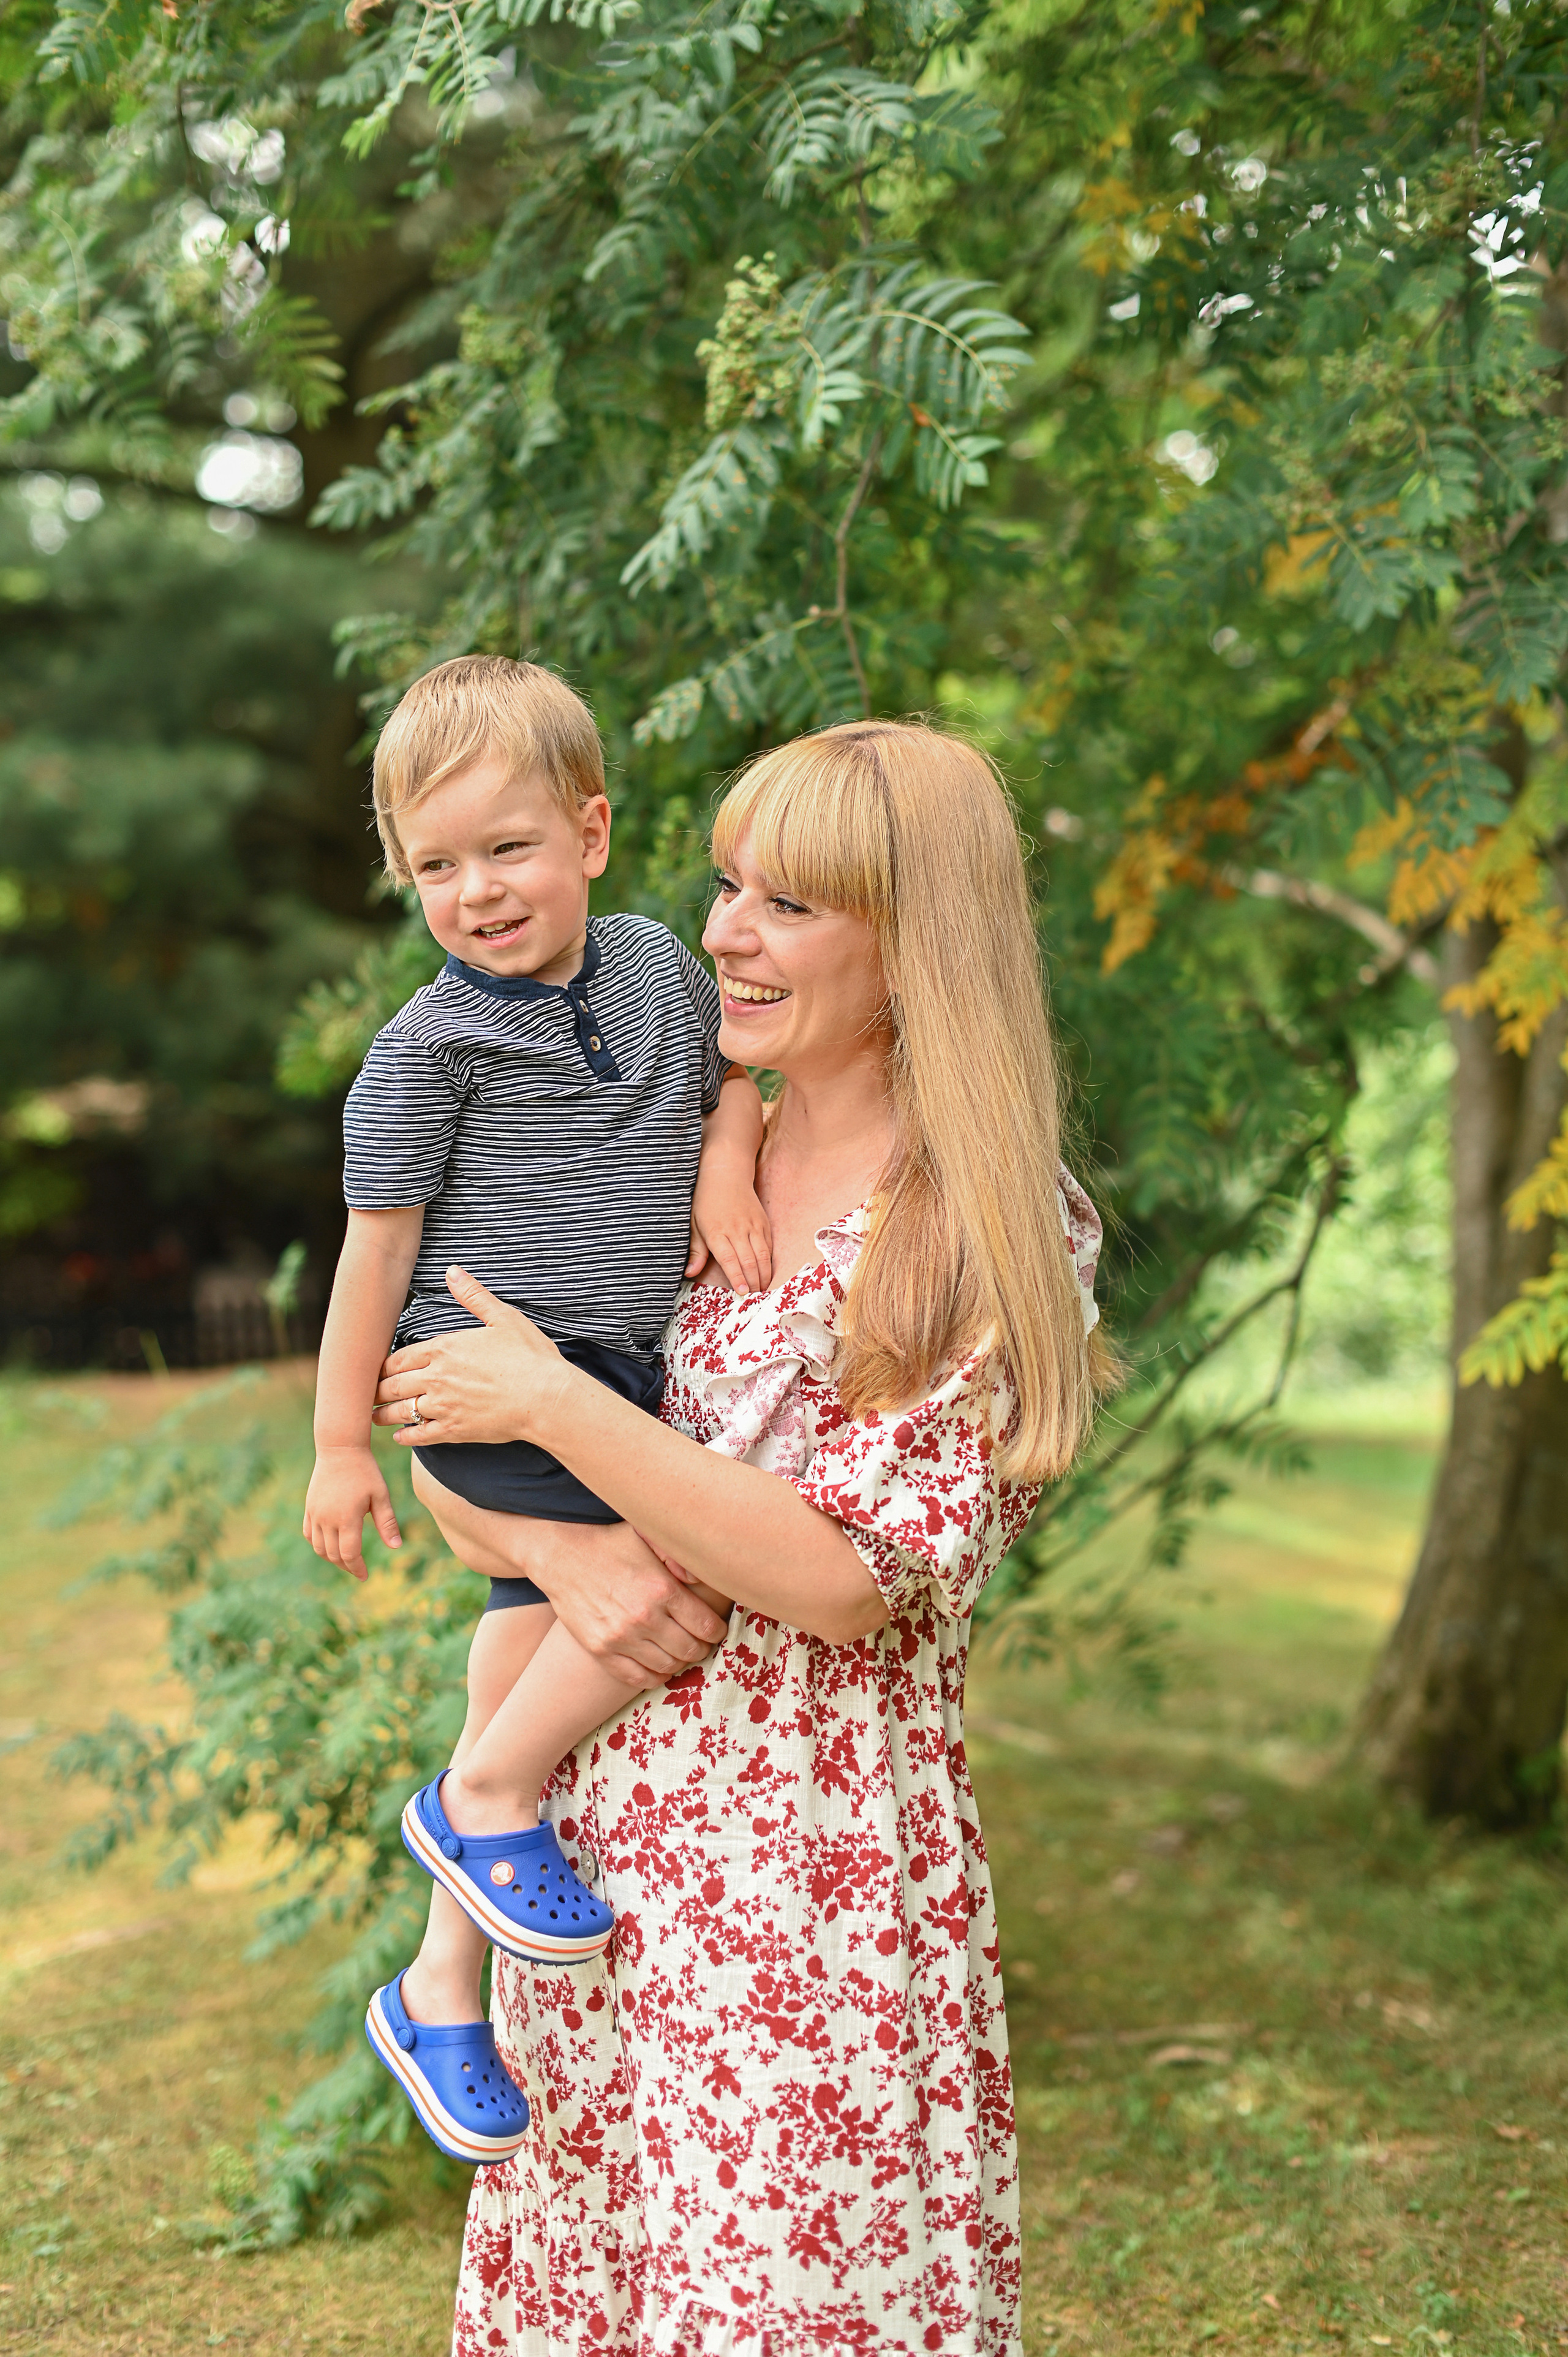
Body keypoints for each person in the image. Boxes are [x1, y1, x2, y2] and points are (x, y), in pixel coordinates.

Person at [372, 719, 1106, 2356]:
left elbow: (847, 1584)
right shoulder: (655, 1139)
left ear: (916, 947)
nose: (724, 933)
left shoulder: (982, 1222)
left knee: (792, 2307)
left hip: (806, 1885)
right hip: (584, 1863)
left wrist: (570, 1414)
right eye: (722, 886)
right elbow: (450, 1438)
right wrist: (566, 1555)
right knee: (601, 2297)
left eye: (789, 905)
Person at [303, 655, 772, 2163]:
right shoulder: (424, 1052)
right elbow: (372, 1253)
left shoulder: (651, 965)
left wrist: (724, 1161)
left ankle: (441, 1985)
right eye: (435, 865)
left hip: (611, 1373)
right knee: (681, 1561)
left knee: (523, 1629)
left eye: (506, 847)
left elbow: (731, 1080)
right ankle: (486, 1796)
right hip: (484, 1361)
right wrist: (336, 1446)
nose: (477, 891)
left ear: (591, 830)